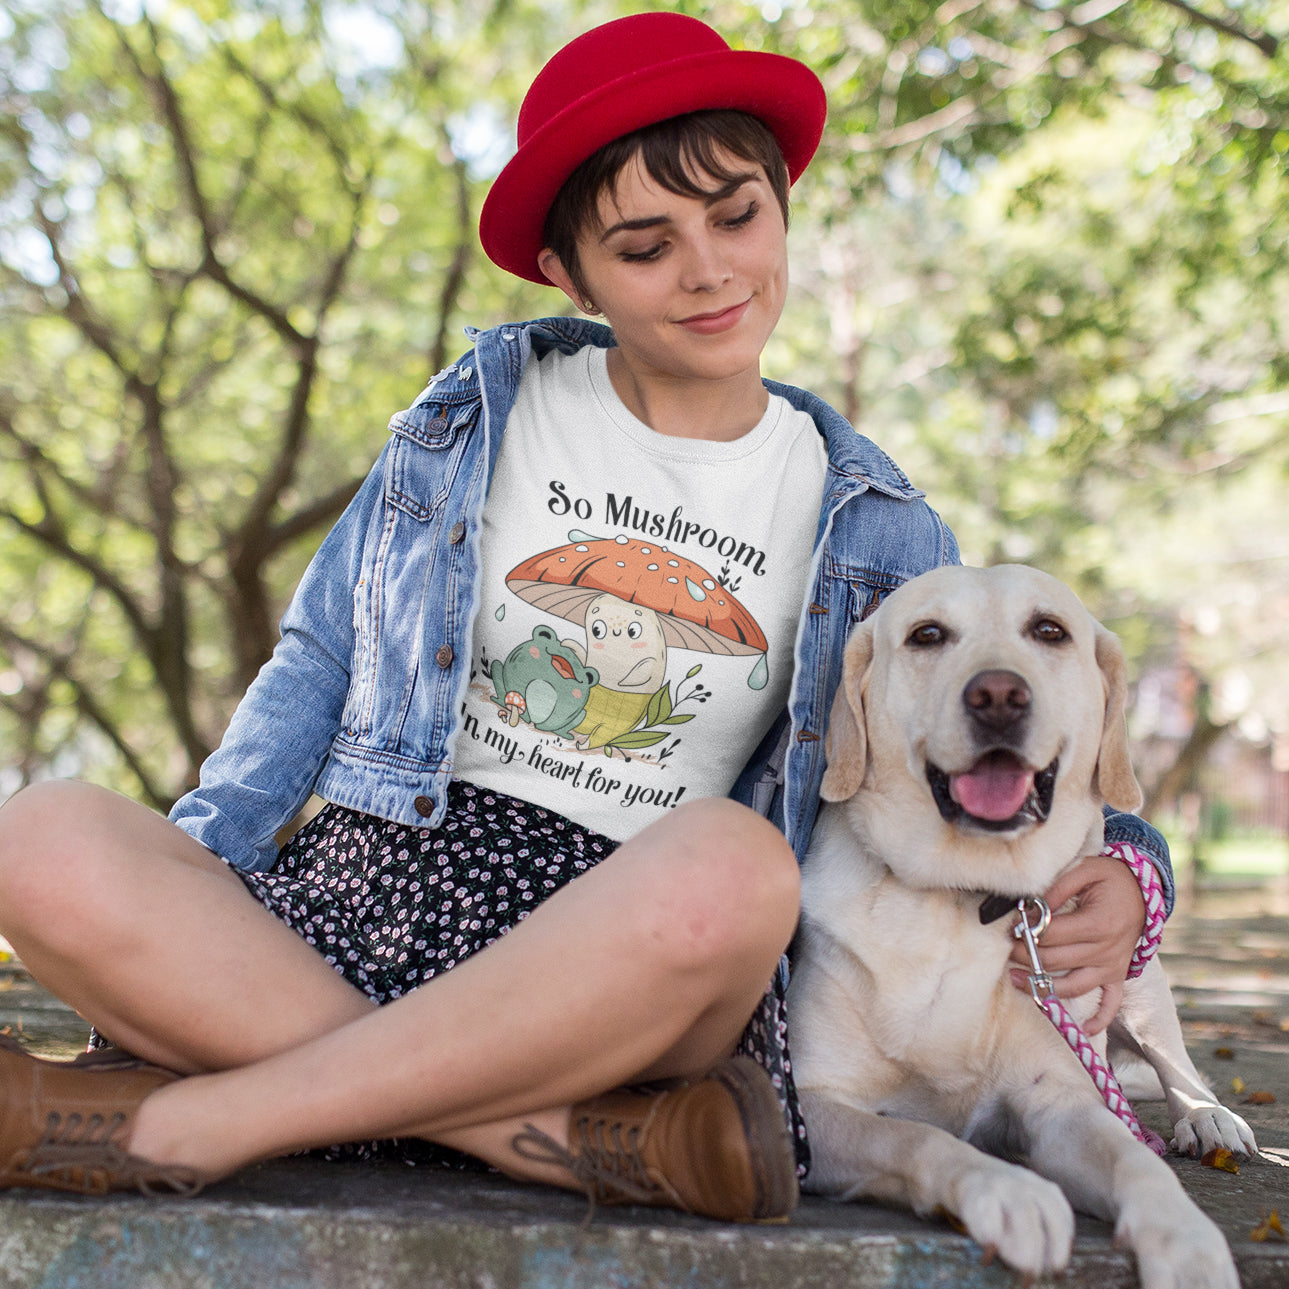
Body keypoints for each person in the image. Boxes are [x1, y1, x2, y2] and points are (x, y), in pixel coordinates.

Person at [0, 12, 1172, 1219]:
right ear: (569, 270)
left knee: (742, 865)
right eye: (644, 244)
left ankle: (202, 1114)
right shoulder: (472, 417)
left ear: (781, 206)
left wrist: (1140, 868)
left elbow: (991, 735)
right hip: (368, 890)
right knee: (38, 835)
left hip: (632, 953)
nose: (709, 269)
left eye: (735, 216)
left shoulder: (881, 528)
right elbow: (317, 658)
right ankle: (569, 1137)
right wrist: (184, 893)